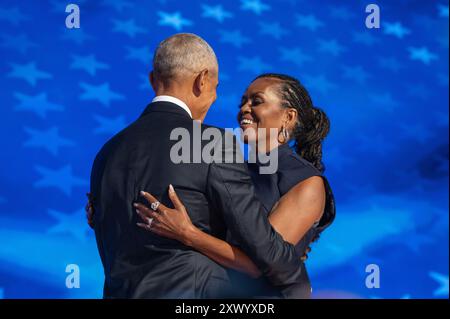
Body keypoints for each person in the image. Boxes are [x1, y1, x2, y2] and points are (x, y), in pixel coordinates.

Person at [89, 33, 307, 299]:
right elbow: (263, 249)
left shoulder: (107, 153)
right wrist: (297, 279)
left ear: (152, 80)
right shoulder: (211, 143)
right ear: (202, 80)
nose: (214, 97)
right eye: (215, 87)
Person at [131, 73, 336, 298]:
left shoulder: (306, 182)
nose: (244, 109)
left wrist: (187, 233)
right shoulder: (233, 169)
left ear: (288, 117)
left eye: (256, 101)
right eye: (243, 102)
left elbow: (262, 262)